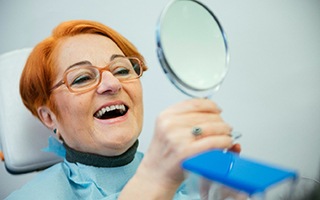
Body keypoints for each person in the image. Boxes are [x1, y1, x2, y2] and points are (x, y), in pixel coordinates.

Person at [6, 20, 240, 199]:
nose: (112, 84)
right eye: (82, 78)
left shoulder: (190, 179)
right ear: (49, 118)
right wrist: (153, 182)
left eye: (122, 70)